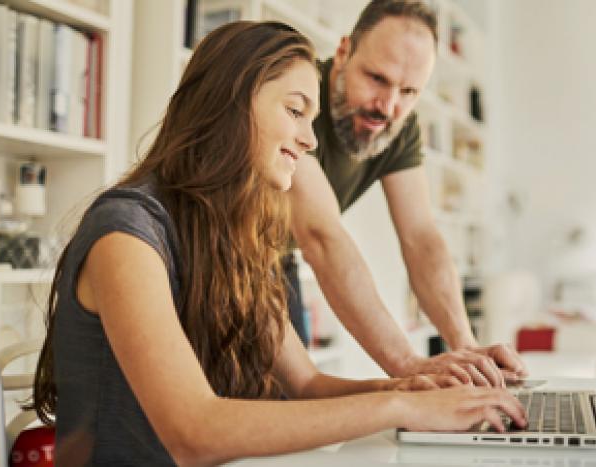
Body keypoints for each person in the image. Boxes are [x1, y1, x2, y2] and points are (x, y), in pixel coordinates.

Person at [30, 21, 525, 465]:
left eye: (312, 118)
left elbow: (307, 385)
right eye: (294, 111)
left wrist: (413, 386)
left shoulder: (241, 239)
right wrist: (401, 405)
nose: (309, 141)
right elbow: (194, 432)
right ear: (229, 101)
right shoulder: (127, 233)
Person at [286, 0, 527, 387]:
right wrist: (408, 364)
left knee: (284, 408)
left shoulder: (400, 128)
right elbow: (321, 237)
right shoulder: (298, 98)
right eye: (377, 79)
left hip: (273, 262)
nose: (388, 106)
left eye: (409, 91)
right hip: (199, 247)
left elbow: (421, 237)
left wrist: (465, 346)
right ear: (344, 52)